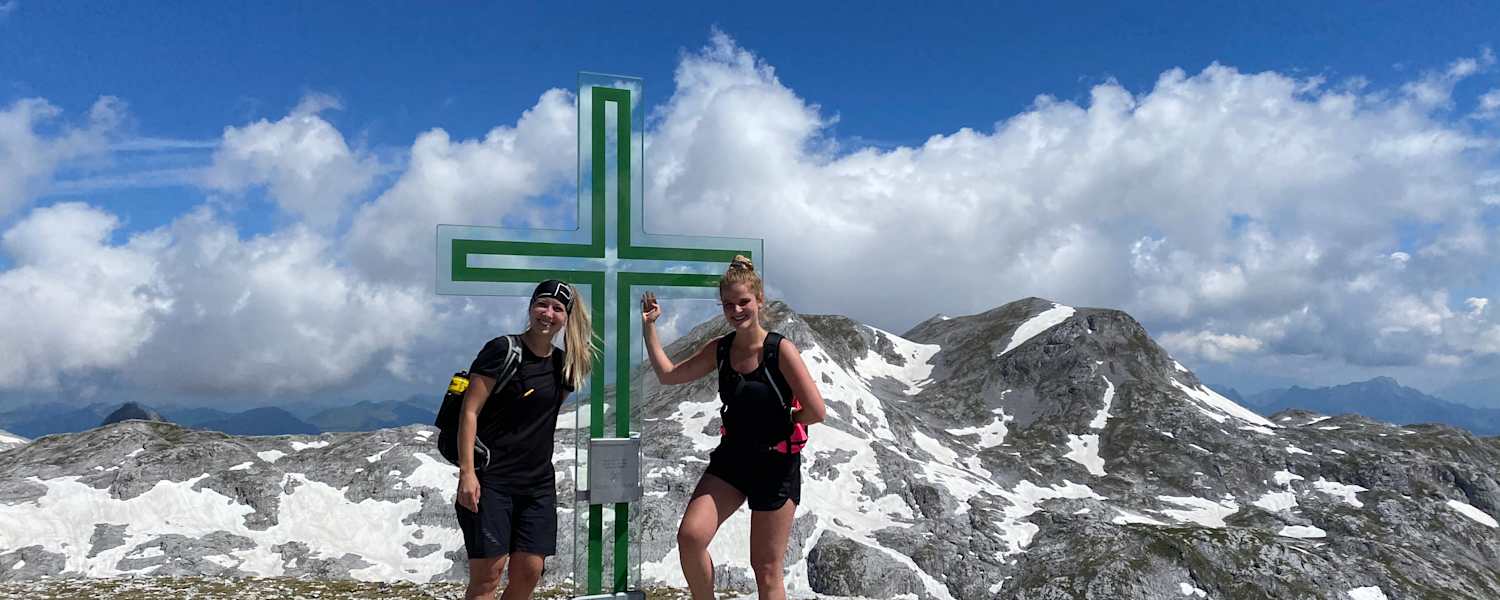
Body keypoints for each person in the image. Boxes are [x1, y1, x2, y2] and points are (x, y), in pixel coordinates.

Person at [640, 256, 827, 600]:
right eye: (728, 304)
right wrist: (650, 327)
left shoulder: (779, 349)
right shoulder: (721, 349)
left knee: (767, 570)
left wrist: (786, 422)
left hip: (776, 464)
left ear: (759, 301)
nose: (737, 310)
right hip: (733, 460)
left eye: (744, 302)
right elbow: (669, 375)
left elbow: (817, 411)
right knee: (691, 537)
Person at [455, 280, 594, 600]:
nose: (548, 313)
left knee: (530, 570)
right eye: (542, 305)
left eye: (558, 309)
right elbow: (470, 412)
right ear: (531, 307)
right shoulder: (503, 350)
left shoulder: (564, 365)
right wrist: (467, 472)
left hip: (537, 485)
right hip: (493, 480)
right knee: (488, 576)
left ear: (567, 318)